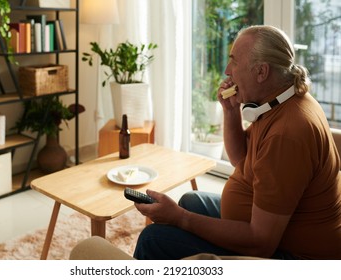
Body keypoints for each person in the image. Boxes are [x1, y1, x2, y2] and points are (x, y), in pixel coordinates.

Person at [133, 25, 341, 260]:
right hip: (267, 222)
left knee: (153, 238)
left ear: (261, 72)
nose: (226, 70)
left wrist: (180, 218)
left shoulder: (286, 134)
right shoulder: (279, 99)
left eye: (234, 62)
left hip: (294, 255)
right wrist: (231, 113)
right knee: (191, 200)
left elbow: (260, 242)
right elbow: (240, 159)